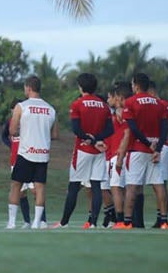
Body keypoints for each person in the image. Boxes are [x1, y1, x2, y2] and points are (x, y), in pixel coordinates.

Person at [52, 73, 112, 229]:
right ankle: (93, 223)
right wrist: (97, 139)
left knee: (74, 186)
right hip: (99, 151)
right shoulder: (104, 105)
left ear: (80, 87)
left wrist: (89, 139)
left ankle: (64, 222)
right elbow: (110, 130)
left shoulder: (77, 104)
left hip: (83, 150)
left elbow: (76, 129)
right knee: (96, 186)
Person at [114, 73, 168, 230]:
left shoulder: (131, 102)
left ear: (136, 86)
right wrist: (157, 147)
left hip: (138, 149)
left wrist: (147, 143)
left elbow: (132, 128)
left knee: (132, 186)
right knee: (158, 185)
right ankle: (164, 221)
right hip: (155, 150)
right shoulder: (159, 104)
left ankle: (127, 222)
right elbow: (166, 126)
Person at [6, 75, 57, 230]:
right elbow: (55, 135)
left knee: (16, 185)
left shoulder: (21, 106)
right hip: (43, 153)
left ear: (28, 88)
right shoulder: (51, 109)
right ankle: (37, 222)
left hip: (26, 152)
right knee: (40, 187)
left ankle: (12, 222)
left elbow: (12, 130)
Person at [147, 80, 168, 228]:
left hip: (160, 148)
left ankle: (163, 219)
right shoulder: (165, 104)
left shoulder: (159, 105)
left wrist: (161, 143)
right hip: (164, 146)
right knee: (160, 183)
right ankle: (161, 217)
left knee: (159, 183)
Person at [0, 103, 33, 227]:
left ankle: (42, 220)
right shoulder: (10, 121)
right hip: (15, 160)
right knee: (20, 192)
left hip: (30, 157)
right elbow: (3, 136)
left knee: (36, 190)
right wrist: (11, 145)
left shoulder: (28, 120)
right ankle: (27, 221)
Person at [106, 82, 131, 226]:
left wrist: (120, 154)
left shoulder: (121, 112)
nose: (111, 100)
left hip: (119, 153)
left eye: (113, 97)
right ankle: (128, 219)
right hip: (122, 152)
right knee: (125, 187)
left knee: (116, 187)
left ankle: (121, 220)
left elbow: (126, 133)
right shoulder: (120, 112)